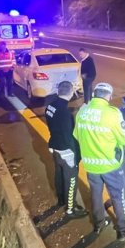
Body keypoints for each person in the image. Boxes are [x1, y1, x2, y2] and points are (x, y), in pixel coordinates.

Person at [74, 82, 125, 241]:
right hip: (110, 165)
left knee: (96, 194)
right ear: (108, 96)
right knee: (117, 197)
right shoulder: (113, 114)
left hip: (90, 164)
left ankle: (99, 224)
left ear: (95, 94)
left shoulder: (82, 112)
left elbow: (77, 136)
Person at [44, 81, 88, 219]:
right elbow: (68, 135)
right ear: (70, 93)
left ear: (58, 91)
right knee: (71, 179)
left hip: (54, 146)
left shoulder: (50, 106)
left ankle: (61, 200)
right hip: (66, 150)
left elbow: (54, 126)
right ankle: (70, 209)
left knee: (59, 174)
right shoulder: (64, 113)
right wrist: (75, 154)